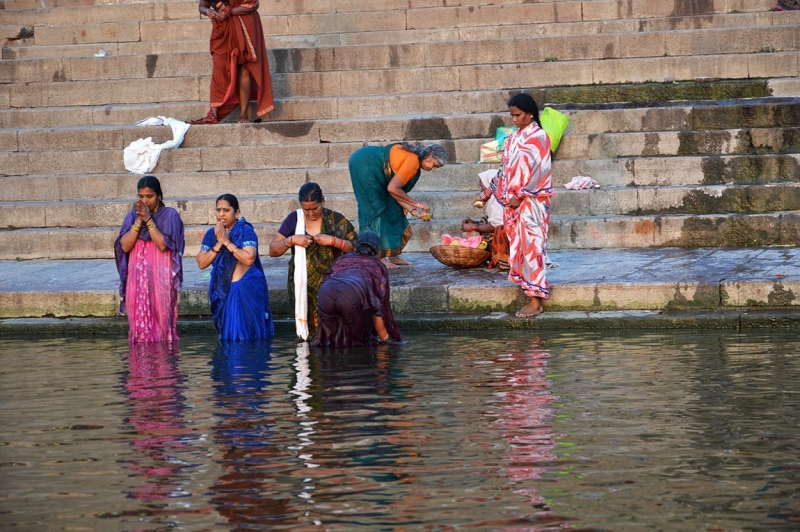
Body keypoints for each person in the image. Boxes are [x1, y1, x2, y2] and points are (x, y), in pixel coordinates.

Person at [491, 93, 554, 318]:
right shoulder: (513, 138)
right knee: (519, 248)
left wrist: (523, 194)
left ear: (530, 113)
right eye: (512, 115)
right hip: (513, 204)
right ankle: (530, 293)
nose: (514, 119)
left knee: (533, 248)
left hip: (533, 203)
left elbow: (541, 171)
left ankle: (536, 301)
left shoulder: (540, 137)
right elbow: (505, 168)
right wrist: (495, 189)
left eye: (518, 115)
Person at [269, 183, 357, 341]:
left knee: (334, 331)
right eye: (306, 209)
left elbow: (355, 249)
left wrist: (333, 241)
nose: (310, 213)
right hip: (302, 287)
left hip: (333, 286)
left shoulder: (336, 219)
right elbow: (273, 250)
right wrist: (291, 240)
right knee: (309, 335)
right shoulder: (294, 219)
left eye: (314, 208)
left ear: (322, 201)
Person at [348, 142, 447, 269]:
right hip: (365, 163)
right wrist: (417, 204)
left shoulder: (415, 165)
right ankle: (378, 257)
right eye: (434, 165)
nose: (433, 169)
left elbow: (396, 195)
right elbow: (393, 188)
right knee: (374, 208)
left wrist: (414, 210)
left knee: (393, 208)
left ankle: (393, 255)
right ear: (430, 155)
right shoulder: (413, 161)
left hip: (376, 168)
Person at [115, 175, 185, 343]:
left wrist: (148, 219)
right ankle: (140, 366)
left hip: (161, 279)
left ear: (159, 196)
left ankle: (163, 364)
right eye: (141, 196)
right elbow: (124, 246)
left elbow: (162, 245)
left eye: (149, 196)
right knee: (138, 325)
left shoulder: (169, 216)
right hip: (137, 280)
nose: (145, 200)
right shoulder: (132, 216)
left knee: (162, 320)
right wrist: (139, 220)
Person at [196, 194, 274, 341]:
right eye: (218, 210)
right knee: (229, 339)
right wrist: (219, 243)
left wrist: (226, 242)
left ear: (236, 212)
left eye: (226, 210)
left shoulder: (245, 230)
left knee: (247, 337)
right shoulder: (212, 234)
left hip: (244, 288)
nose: (221, 214)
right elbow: (201, 262)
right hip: (223, 291)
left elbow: (249, 258)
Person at [310, 231, 404, 348]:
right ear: (378, 250)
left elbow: (326, 280)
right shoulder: (377, 266)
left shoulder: (341, 259)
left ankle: (324, 365)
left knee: (329, 341)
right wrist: (386, 340)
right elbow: (377, 307)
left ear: (356, 246)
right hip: (351, 294)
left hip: (325, 292)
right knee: (359, 345)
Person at [191, 0, 274, 124]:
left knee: (245, 68)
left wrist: (228, 11)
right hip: (222, 28)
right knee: (219, 68)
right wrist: (209, 11)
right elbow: (202, 6)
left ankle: (243, 115)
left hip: (245, 24)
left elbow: (253, 4)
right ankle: (213, 114)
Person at [461, 169, 510, 270]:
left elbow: (497, 226)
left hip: (512, 236)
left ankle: (504, 260)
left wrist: (474, 227)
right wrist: (474, 223)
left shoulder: (499, 199)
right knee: (485, 219)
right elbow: (494, 221)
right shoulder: (497, 197)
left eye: (482, 185)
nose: (481, 189)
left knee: (496, 230)